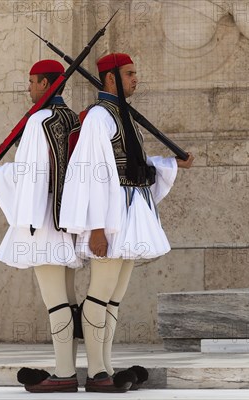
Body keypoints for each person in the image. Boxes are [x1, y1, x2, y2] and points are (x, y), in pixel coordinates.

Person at [59, 53, 195, 392]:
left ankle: (106, 366)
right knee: (100, 293)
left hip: (131, 211)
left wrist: (173, 163)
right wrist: (96, 227)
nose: (136, 79)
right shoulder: (98, 119)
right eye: (130, 74)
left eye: (136, 73)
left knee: (115, 295)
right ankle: (94, 373)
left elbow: (136, 164)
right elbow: (89, 176)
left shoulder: (123, 115)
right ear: (110, 79)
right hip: (110, 216)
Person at [0, 60, 82, 393]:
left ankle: (64, 374)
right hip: (67, 220)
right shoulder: (71, 117)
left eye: (33, 82)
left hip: (44, 222)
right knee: (68, 299)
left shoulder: (39, 120)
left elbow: (28, 178)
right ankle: (74, 368)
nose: (29, 88)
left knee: (56, 303)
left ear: (46, 84)